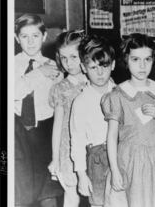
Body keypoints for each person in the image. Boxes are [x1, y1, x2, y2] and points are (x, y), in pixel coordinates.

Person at [101, 33, 155, 207]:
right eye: (135, 59)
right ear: (126, 60)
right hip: (128, 161)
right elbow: (112, 136)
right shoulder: (118, 95)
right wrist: (114, 169)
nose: (142, 66)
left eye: (147, 59)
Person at [14, 14, 64, 207]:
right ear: (16, 38)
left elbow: (58, 101)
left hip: (44, 133)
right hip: (18, 132)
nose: (30, 41)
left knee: (48, 190)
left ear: (44, 37)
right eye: (24, 36)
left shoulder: (53, 66)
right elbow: (13, 91)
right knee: (21, 188)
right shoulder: (10, 64)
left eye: (35, 36)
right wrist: (37, 73)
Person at [69, 35, 116, 207]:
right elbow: (77, 140)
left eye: (104, 66)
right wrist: (81, 176)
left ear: (113, 64)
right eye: (93, 67)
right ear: (83, 67)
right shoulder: (81, 101)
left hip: (121, 155)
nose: (100, 72)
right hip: (97, 160)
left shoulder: (120, 93)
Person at [48, 30, 88, 207]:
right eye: (64, 58)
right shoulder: (61, 88)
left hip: (92, 146)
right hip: (68, 148)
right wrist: (55, 158)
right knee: (71, 193)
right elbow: (57, 127)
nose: (69, 63)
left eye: (73, 57)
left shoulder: (97, 81)